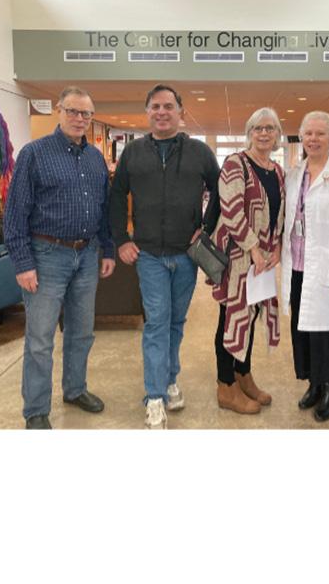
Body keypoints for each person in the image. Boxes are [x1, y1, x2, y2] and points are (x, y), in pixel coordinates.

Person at [3, 86, 116, 429]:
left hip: (87, 254)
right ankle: (36, 410)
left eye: (86, 114)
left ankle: (75, 389)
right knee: (40, 339)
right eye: (73, 111)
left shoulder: (96, 158)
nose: (80, 119)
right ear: (58, 110)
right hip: (46, 255)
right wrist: (23, 263)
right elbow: (15, 213)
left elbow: (104, 209)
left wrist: (107, 249)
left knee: (81, 333)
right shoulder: (34, 154)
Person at [109, 84, 220, 429]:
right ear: (148, 112)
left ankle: (171, 380)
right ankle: (155, 395)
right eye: (155, 106)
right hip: (149, 256)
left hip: (186, 256)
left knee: (175, 322)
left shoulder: (199, 152)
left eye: (168, 106)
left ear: (180, 112)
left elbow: (221, 191)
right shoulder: (133, 153)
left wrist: (206, 226)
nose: (162, 112)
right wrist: (121, 240)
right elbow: (115, 197)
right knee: (157, 323)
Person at [280, 111, 329, 422]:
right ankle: (312, 383)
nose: (313, 139)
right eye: (308, 133)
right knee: (303, 328)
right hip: (297, 266)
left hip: (326, 268)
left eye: (320, 134)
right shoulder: (294, 174)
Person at [210, 107, 285, 415]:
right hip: (237, 258)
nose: (264, 133)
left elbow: (280, 213)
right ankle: (225, 385)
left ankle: (243, 375)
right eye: (258, 128)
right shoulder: (235, 164)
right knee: (230, 316)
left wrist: (276, 247)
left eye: (270, 128)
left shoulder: (276, 170)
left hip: (263, 261)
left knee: (250, 315)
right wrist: (254, 248)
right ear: (249, 133)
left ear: (278, 135)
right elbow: (231, 210)